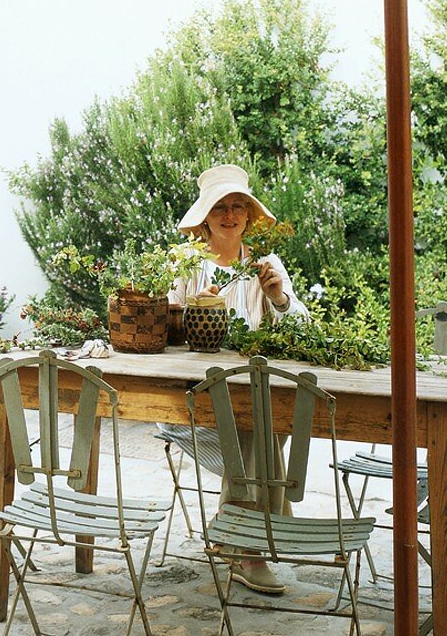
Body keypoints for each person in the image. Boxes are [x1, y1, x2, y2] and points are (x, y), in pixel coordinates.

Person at [168, 163, 308, 595]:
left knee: (260, 421)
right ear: (205, 217)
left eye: (237, 207)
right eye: (220, 208)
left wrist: (279, 298)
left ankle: (235, 531)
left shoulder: (267, 266)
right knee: (255, 429)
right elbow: (164, 333)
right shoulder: (187, 265)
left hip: (252, 401)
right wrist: (193, 309)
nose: (229, 216)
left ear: (248, 215)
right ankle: (253, 548)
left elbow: (304, 332)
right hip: (191, 405)